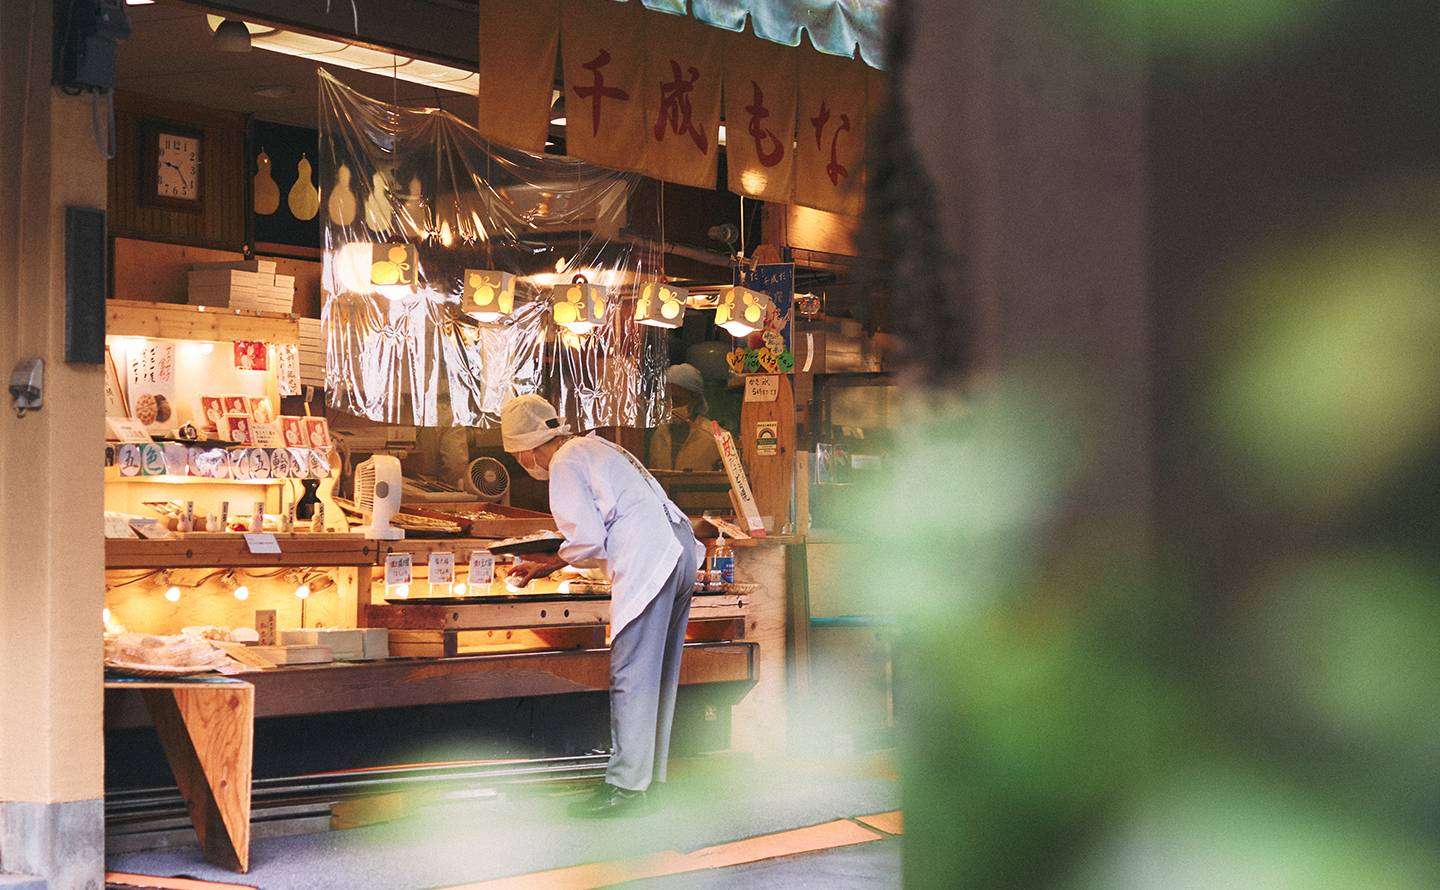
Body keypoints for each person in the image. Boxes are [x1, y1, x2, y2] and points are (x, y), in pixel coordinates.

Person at [501, 394, 705, 818]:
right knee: (659, 674)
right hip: (681, 547)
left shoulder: (563, 461)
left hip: (651, 555)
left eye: (519, 456)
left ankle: (627, 789)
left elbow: (586, 539)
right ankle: (652, 781)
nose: (524, 463)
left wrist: (547, 561)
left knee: (632, 673)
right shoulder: (599, 446)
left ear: (525, 449)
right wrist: (558, 560)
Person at [646, 363, 722, 471]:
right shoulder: (659, 436)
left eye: (676, 399)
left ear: (694, 400)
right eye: (666, 400)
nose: (670, 406)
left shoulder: (715, 438)